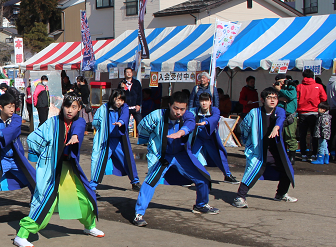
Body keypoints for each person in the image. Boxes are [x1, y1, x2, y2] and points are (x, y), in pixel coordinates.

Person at [14, 95, 103, 247]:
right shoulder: (52, 123)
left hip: (69, 169)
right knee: (45, 201)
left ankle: (89, 225)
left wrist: (75, 136)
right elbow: (33, 138)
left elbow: (79, 126)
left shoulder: (78, 121)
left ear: (79, 109)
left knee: (84, 198)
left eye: (74, 107)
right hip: (51, 168)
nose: (70, 110)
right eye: (67, 106)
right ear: (62, 107)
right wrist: (43, 155)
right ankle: (22, 234)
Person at [132, 91, 217, 227]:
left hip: (181, 155)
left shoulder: (188, 115)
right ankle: (139, 214)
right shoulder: (157, 115)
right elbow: (143, 126)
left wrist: (180, 132)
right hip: (163, 155)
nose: (178, 112)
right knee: (150, 182)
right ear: (170, 105)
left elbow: (190, 124)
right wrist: (152, 144)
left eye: (182, 109)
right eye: (175, 108)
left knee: (202, 178)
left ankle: (201, 205)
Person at [232, 88, 296, 208]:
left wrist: (276, 127)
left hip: (275, 149)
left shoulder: (279, 111)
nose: (272, 100)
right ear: (262, 100)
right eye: (269, 97)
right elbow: (244, 127)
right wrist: (248, 143)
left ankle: (280, 194)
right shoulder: (254, 113)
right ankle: (239, 197)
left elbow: (281, 118)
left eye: (275, 98)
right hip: (258, 149)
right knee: (252, 171)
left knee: (287, 170)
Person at [90, 89, 141, 192]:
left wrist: (121, 122)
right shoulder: (104, 108)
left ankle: (135, 182)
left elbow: (125, 116)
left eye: (122, 100)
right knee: (100, 162)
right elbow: (95, 121)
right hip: (107, 140)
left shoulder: (124, 107)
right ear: (112, 98)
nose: (119, 102)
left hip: (119, 141)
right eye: (117, 99)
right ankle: (92, 187)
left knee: (127, 160)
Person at [189, 92, 238, 183]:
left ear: (210, 102)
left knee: (220, 156)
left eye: (206, 100)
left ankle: (227, 175)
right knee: (191, 155)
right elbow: (188, 117)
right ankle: (189, 177)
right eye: (202, 101)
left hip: (211, 138)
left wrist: (206, 122)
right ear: (198, 102)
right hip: (198, 138)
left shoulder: (215, 110)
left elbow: (215, 118)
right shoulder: (194, 111)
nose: (204, 103)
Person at [297, 69, 328, 161]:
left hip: (302, 113)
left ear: (303, 76)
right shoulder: (318, 86)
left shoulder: (299, 87)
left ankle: (303, 155)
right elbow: (324, 98)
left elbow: (297, 99)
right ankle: (314, 154)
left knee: (303, 134)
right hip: (315, 113)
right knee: (315, 134)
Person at [275, 74, 298, 162]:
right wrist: (280, 96)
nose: (281, 83)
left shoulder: (291, 87)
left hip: (290, 115)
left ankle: (292, 156)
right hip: (280, 114)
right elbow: (274, 98)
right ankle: (283, 155)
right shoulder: (276, 88)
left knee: (290, 135)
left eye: (282, 81)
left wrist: (281, 90)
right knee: (280, 136)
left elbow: (291, 96)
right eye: (279, 82)